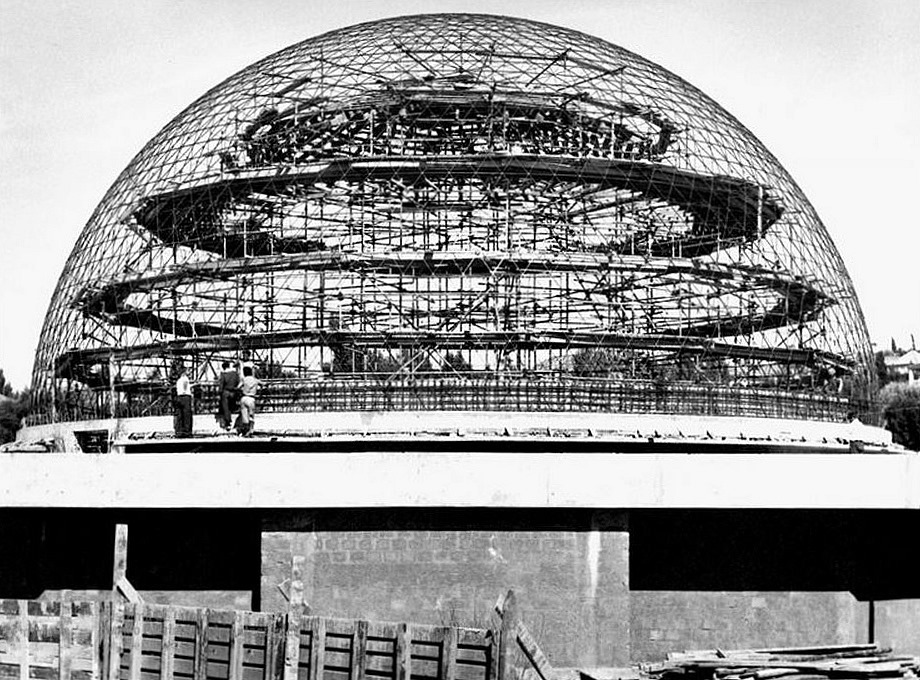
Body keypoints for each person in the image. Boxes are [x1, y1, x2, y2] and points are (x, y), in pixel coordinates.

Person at [217, 361, 240, 430]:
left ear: (223, 367)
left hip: (226, 392)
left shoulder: (224, 374)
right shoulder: (235, 374)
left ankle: (228, 421)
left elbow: (221, 385)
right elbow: (238, 382)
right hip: (234, 392)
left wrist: (219, 393)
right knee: (230, 406)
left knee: (225, 407)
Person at [237, 366, 260, 437]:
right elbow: (263, 384)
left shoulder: (244, 379)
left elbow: (238, 387)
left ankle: (245, 430)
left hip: (244, 398)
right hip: (251, 398)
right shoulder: (255, 380)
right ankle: (251, 430)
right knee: (251, 415)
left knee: (244, 416)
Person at [174, 366, 193, 438]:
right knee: (187, 415)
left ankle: (179, 432)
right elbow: (185, 387)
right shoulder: (185, 379)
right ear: (184, 372)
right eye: (188, 371)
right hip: (185, 397)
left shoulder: (179, 380)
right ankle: (187, 432)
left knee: (180, 415)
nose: (189, 372)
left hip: (179, 396)